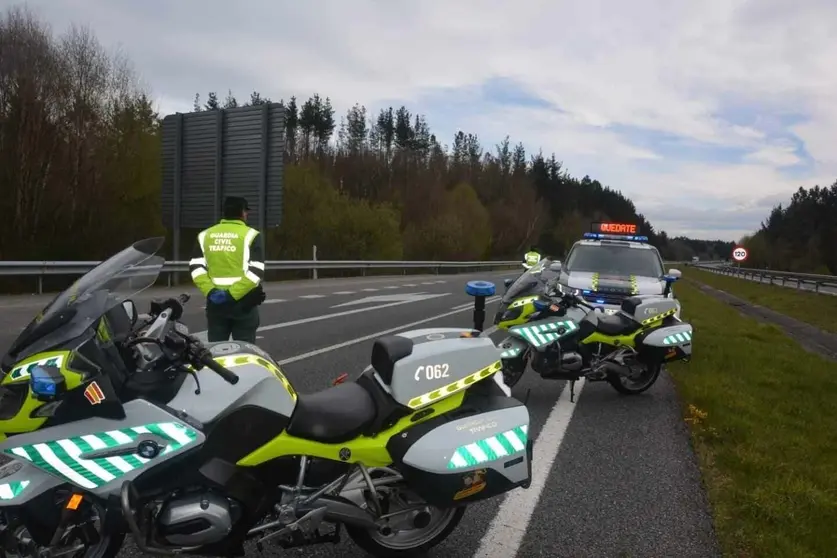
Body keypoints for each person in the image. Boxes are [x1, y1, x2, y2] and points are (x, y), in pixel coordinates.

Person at [189, 196, 267, 343]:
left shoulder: (205, 235)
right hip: (244, 303)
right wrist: (232, 294)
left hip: (215, 303)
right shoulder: (252, 235)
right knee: (245, 351)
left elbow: (196, 268)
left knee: (216, 350)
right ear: (243, 213)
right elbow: (256, 272)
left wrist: (211, 291)